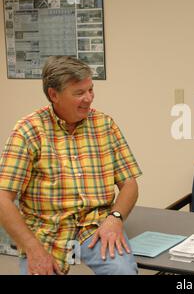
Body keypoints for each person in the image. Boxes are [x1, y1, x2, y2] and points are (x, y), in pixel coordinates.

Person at [0, 56, 142, 275]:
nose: (88, 99)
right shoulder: (28, 131)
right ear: (53, 95)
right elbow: (3, 198)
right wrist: (33, 249)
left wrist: (115, 219)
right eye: (79, 93)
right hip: (46, 232)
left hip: (95, 227)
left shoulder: (105, 125)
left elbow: (129, 184)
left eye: (91, 90)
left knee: (122, 270)